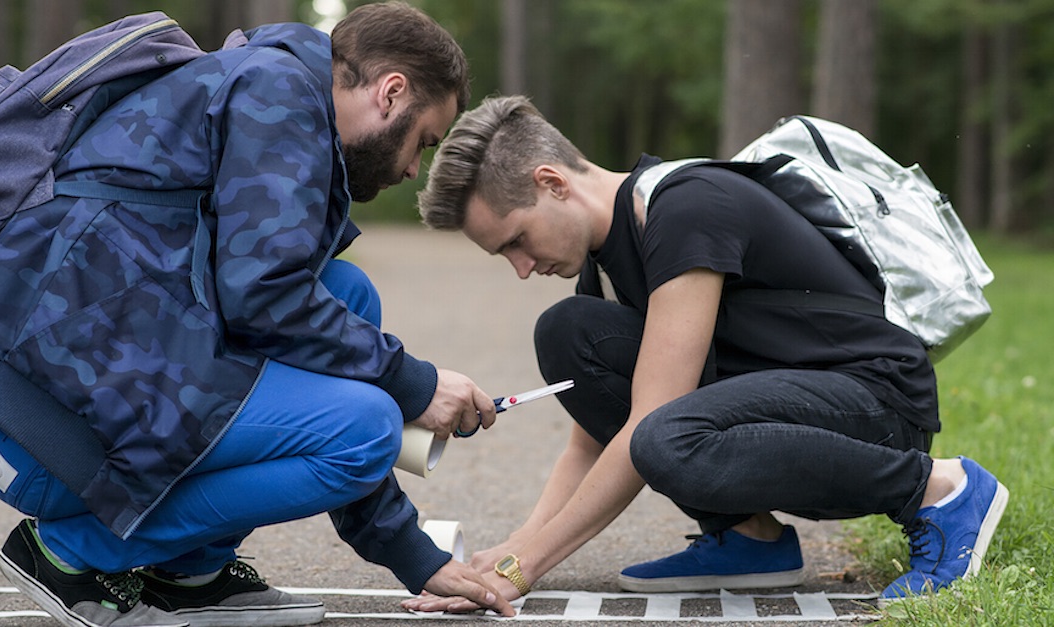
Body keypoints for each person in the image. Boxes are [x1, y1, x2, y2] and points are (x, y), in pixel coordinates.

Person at [0, 4, 517, 626]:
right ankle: (69, 556)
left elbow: (273, 297)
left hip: (64, 396)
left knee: (346, 295)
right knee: (363, 431)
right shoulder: (278, 92)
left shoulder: (264, 81)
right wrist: (414, 383)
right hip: (36, 432)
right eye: (423, 141)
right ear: (391, 93)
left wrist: (416, 557)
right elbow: (264, 298)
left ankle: (187, 572)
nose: (415, 167)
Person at [407, 95, 1009, 609]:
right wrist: (513, 548)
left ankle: (942, 491)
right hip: (785, 407)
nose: (520, 268)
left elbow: (650, 424)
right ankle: (749, 538)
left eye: (516, 240)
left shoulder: (685, 207)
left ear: (552, 181)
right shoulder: (604, 267)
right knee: (566, 332)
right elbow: (590, 443)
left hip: (873, 405)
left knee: (665, 438)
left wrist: (523, 569)